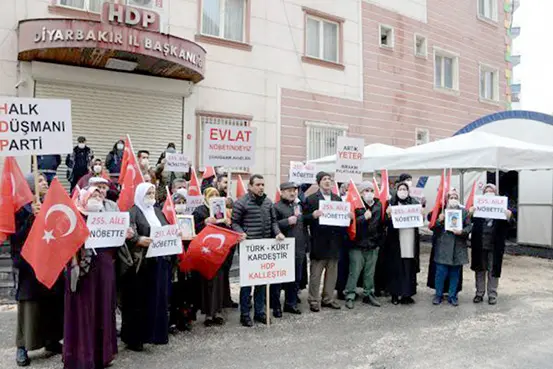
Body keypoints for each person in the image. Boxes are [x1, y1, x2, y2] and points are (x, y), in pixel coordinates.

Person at [63, 187, 133, 369]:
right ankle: (82, 356)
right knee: (85, 311)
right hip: (84, 272)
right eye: (93, 195)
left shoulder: (108, 216)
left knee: (103, 309)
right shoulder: (75, 216)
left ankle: (102, 355)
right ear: (84, 198)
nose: (97, 197)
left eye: (99, 195)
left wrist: (124, 235)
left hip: (105, 268)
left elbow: (116, 242)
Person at [11, 173, 64, 367]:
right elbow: (16, 238)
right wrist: (31, 217)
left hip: (50, 261)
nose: (45, 183)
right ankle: (22, 346)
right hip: (29, 264)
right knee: (29, 305)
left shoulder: (50, 205)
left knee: (51, 302)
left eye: (45, 180)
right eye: (40, 180)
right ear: (30, 186)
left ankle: (51, 340)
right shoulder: (21, 209)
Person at [120, 183, 171, 351]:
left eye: (153, 192)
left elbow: (166, 229)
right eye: (147, 193)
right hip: (141, 264)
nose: (151, 195)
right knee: (138, 301)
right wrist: (138, 240)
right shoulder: (132, 212)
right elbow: (128, 234)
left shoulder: (157, 212)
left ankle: (156, 334)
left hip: (159, 261)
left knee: (157, 298)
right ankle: (135, 338)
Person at [232, 174, 285, 327]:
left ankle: (260, 312)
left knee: (262, 281)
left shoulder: (268, 203)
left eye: (263, 184)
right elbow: (234, 223)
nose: (261, 187)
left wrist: (277, 233)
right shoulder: (241, 202)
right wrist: (240, 232)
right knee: (247, 283)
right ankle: (245, 314)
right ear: (250, 186)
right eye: (258, 184)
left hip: (264, 248)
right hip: (249, 248)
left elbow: (273, 221)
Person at [303, 171, 348, 312]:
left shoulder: (337, 199)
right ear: (318, 183)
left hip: (334, 242)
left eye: (329, 179)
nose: (328, 181)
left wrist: (348, 217)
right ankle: (313, 300)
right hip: (318, 241)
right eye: (324, 179)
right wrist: (313, 215)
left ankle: (328, 298)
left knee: (332, 273)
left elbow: (341, 221)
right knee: (316, 273)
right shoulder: (311, 199)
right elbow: (303, 219)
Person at [469, 184, 513, 305]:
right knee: (480, 269)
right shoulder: (477, 206)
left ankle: (492, 294)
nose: (489, 193)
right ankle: (479, 293)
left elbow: (511, 225)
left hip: (495, 245)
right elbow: (467, 222)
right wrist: (470, 213)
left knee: (493, 270)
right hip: (479, 243)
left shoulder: (502, 207)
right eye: (486, 191)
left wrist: (509, 216)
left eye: (491, 191)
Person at [192, 188, 230, 326]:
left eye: (216, 195)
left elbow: (228, 231)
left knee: (219, 282)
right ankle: (208, 313)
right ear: (205, 197)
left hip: (219, 252)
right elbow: (193, 228)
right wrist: (205, 222)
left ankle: (218, 312)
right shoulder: (199, 210)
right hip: (205, 252)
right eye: (211, 195)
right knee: (207, 282)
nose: (214, 197)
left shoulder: (222, 211)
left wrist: (227, 223)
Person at [345, 181, 385, 309]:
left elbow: (381, 224)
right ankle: (350, 294)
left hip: (373, 245)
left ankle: (368, 294)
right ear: (360, 193)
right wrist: (363, 218)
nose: (369, 193)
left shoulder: (378, 205)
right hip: (357, 245)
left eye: (371, 190)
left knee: (369, 272)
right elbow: (349, 224)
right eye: (366, 191)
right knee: (354, 272)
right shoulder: (355, 205)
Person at [271, 182, 307, 316]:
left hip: (298, 248)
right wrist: (286, 222)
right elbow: (272, 225)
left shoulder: (298, 206)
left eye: (294, 190)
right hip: (282, 249)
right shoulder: (276, 207)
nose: (293, 193)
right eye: (289, 190)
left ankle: (290, 304)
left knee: (295, 278)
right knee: (278, 280)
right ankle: (276, 306)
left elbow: (303, 226)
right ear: (282, 192)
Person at [430, 190, 471, 306]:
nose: (453, 199)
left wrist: (462, 231)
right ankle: (438, 295)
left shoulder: (464, 212)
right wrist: (439, 220)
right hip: (442, 247)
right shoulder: (441, 211)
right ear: (447, 199)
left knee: (454, 274)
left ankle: (452, 296)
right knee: (440, 274)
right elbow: (432, 227)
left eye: (455, 197)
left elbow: (469, 226)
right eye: (451, 197)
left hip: (458, 247)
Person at [384, 182, 421, 305]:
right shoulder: (390, 203)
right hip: (396, 240)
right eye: (400, 189)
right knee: (396, 267)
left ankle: (407, 294)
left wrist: (421, 214)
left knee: (409, 267)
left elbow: (419, 219)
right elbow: (383, 223)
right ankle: (395, 294)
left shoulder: (414, 203)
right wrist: (388, 215)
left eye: (405, 189)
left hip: (410, 238)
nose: (403, 191)